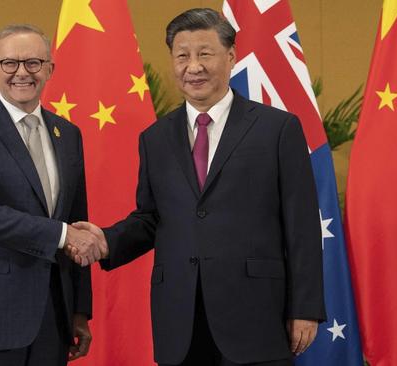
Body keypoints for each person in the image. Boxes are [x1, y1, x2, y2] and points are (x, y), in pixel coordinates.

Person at [72, 8, 325, 366]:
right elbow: (151, 219)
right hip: (181, 317)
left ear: (231, 56)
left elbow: (301, 225)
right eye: (182, 55)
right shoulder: (155, 138)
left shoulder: (277, 129)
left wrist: (306, 308)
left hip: (256, 315)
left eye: (205, 53)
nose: (194, 67)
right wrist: (106, 241)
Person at [0, 24, 104, 366]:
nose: (21, 73)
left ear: (49, 69)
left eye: (33, 63)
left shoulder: (68, 133)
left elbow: (77, 221)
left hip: (52, 318)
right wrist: (61, 234)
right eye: (10, 63)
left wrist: (79, 310)